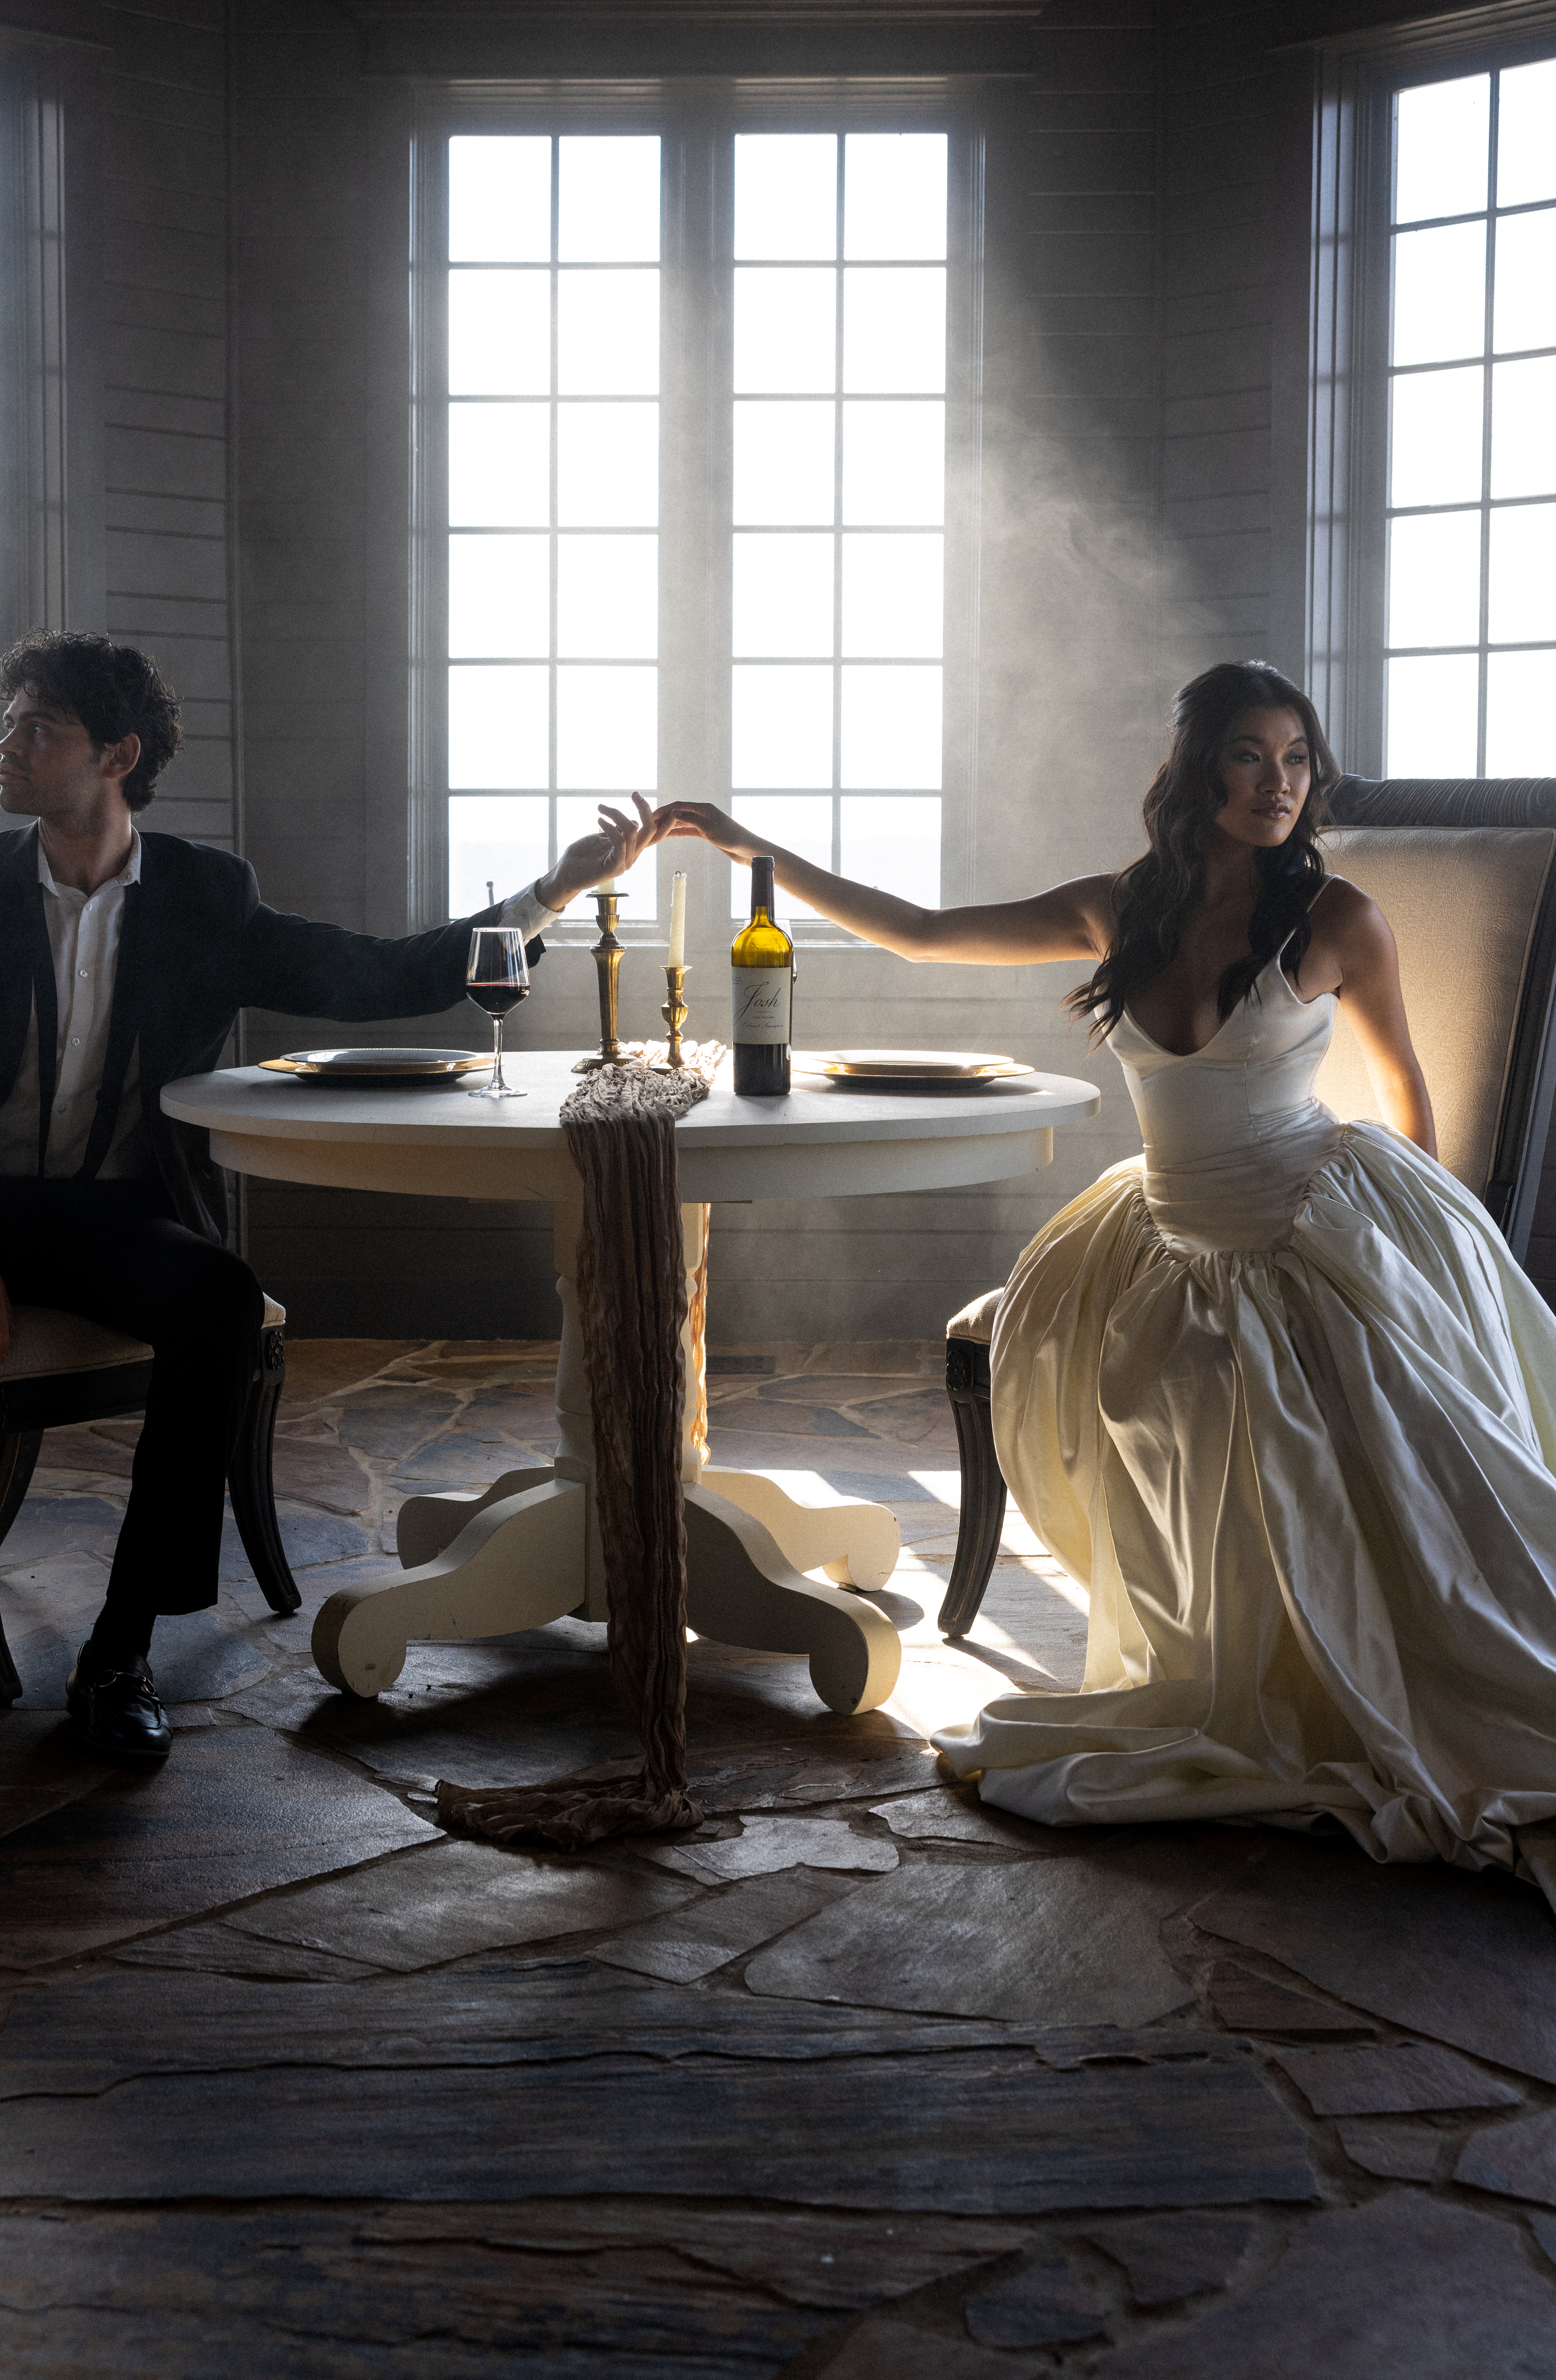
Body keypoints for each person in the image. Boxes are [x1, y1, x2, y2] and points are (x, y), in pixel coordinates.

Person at [656, 661, 1556, 1872]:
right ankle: (1234, 1659)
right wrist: (748, 846)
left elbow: (1402, 1091)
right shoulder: (1117, 909)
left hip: (1308, 1215)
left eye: (1296, 759)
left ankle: (1369, 1663)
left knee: (1302, 1424)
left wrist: (1419, 1254)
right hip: (1170, 1230)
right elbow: (921, 935)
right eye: (1250, 754)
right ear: (1196, 771)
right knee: (1155, 1374)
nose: (1278, 783)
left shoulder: (1336, 917)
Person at [0, 630, 652, 1757]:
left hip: (110, 1214)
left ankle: (123, 1647)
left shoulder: (206, 897)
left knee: (217, 1299)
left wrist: (556, 890)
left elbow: (381, 974)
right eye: (8, 722)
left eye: (34, 727)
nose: (5, 746)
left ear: (118, 755)